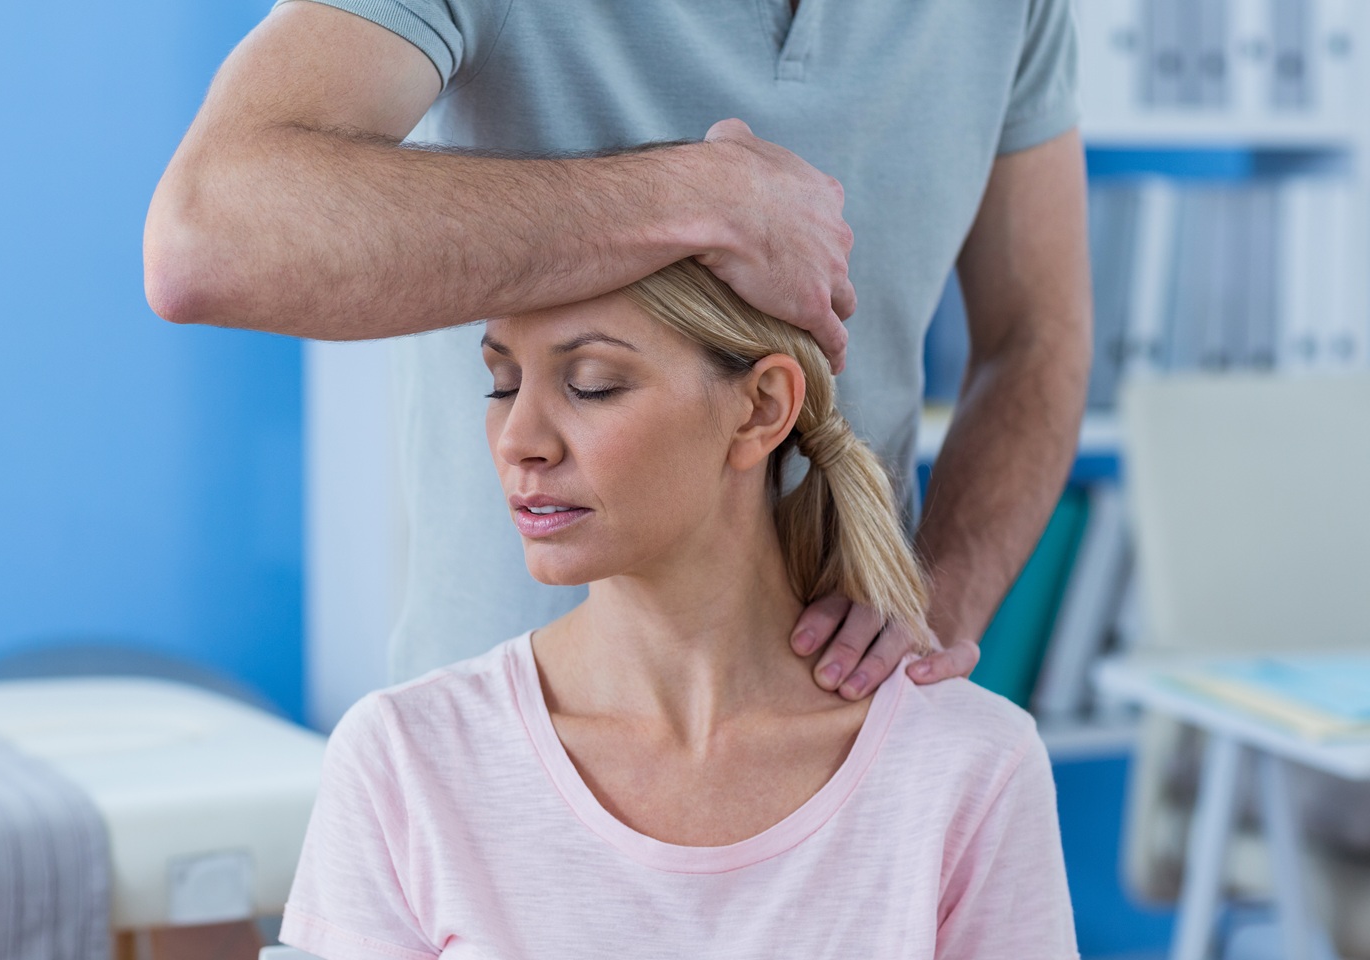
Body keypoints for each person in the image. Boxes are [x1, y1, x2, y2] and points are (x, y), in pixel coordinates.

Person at [144, 0, 1091, 700]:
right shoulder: (414, 773)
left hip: (843, 726)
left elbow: (1037, 340)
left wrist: (931, 601)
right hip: (510, 746)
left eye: (594, 385)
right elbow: (208, 236)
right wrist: (696, 200)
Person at [280, 260, 1079, 959]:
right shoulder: (404, 761)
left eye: (590, 384)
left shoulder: (969, 770)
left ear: (761, 408)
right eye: (503, 382)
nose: (518, 438)